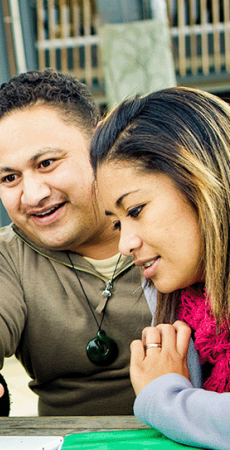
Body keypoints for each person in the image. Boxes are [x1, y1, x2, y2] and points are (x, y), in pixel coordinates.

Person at [0, 69, 152, 432]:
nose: (33, 194)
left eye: (46, 163)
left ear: (100, 142)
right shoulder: (6, 255)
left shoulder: (167, 218)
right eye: (9, 178)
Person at [90, 86, 230, 450]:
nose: (125, 244)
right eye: (118, 223)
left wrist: (166, 398)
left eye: (135, 210)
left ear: (200, 183)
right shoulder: (179, 303)